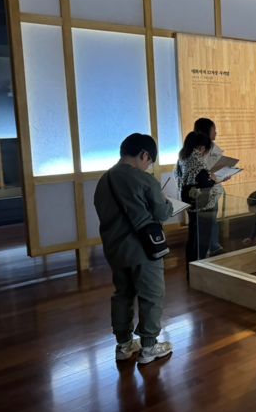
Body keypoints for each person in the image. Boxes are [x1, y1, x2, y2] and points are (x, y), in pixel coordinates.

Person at [94, 133, 174, 364]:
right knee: (151, 295)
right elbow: (162, 212)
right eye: (150, 162)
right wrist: (165, 199)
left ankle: (124, 344)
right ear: (144, 154)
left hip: (114, 248)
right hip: (143, 248)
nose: (148, 166)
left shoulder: (104, 180)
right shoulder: (144, 179)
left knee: (122, 294)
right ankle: (148, 347)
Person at [175, 132, 219, 272]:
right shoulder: (198, 162)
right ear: (202, 148)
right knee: (202, 240)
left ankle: (190, 269)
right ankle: (198, 270)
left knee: (192, 237)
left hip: (190, 203)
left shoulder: (183, 158)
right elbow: (205, 185)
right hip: (203, 205)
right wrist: (213, 179)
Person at [194, 118, 224, 256]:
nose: (216, 132)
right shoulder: (196, 148)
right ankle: (203, 248)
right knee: (202, 222)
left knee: (212, 220)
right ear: (207, 130)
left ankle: (213, 246)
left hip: (213, 189)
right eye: (214, 129)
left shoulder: (214, 148)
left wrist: (223, 175)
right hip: (201, 191)